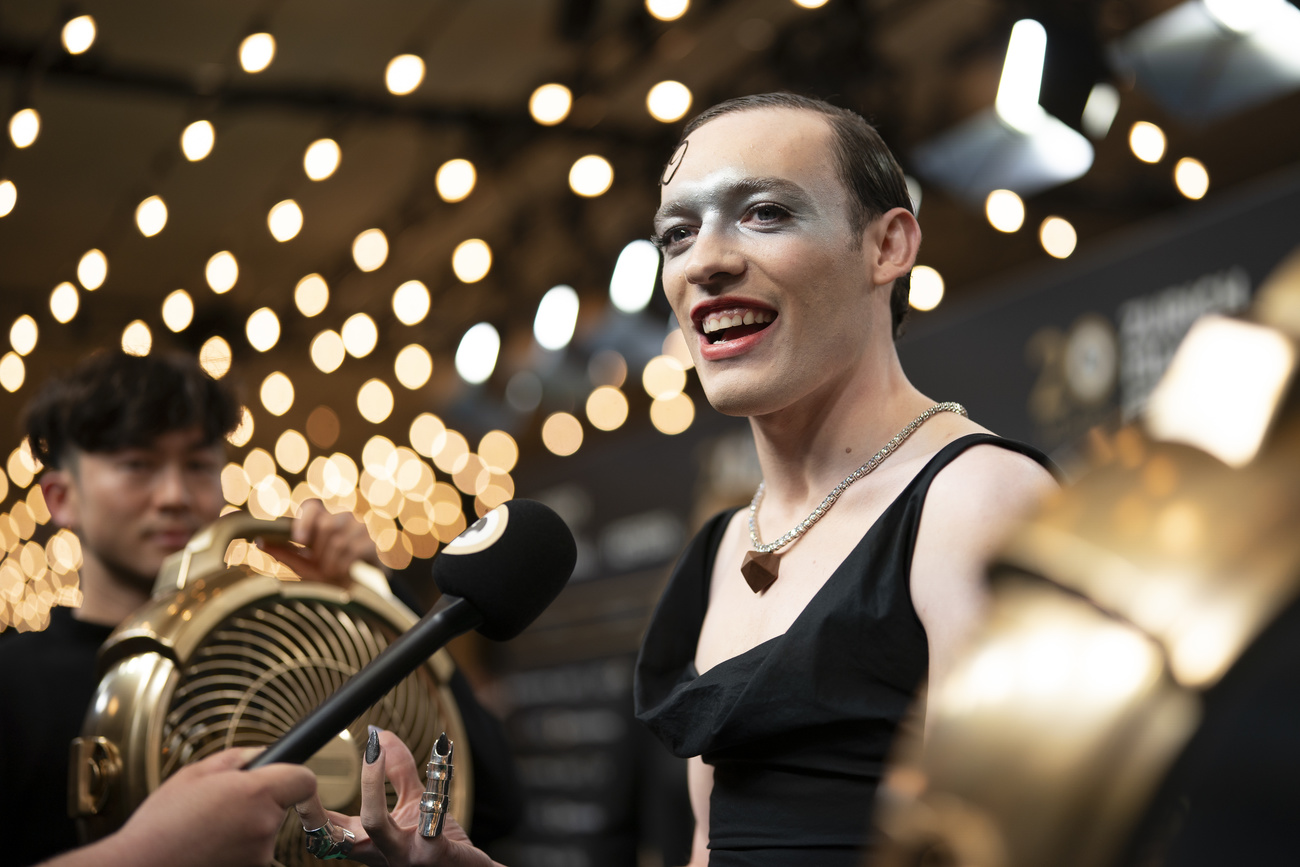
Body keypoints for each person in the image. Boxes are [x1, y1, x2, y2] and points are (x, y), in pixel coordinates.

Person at [294, 92, 1058, 866]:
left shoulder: (976, 501)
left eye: (764, 213)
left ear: (887, 246)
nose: (705, 261)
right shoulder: (724, 548)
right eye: (678, 233)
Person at [0, 349, 522, 866]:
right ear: (61, 498)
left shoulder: (299, 661)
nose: (175, 495)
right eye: (137, 465)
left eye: (200, 465)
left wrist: (380, 598)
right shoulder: (15, 685)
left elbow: (492, 807)